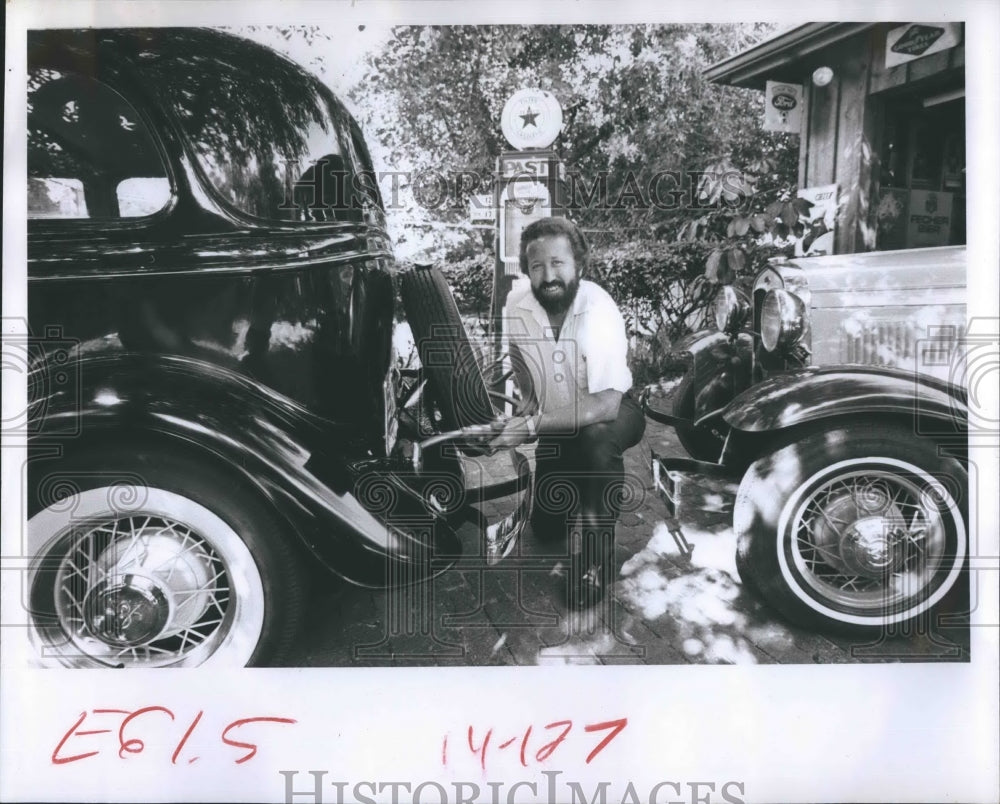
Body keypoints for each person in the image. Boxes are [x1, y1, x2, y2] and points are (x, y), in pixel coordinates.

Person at [490, 217, 645, 607]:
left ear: (578, 264)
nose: (548, 276)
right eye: (537, 266)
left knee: (596, 441)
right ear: (527, 270)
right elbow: (518, 358)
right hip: (559, 421)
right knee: (546, 530)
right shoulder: (516, 303)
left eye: (558, 263)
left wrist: (530, 425)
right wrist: (524, 407)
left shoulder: (598, 307)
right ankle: (574, 486)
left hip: (613, 412)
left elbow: (607, 403)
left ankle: (595, 560)